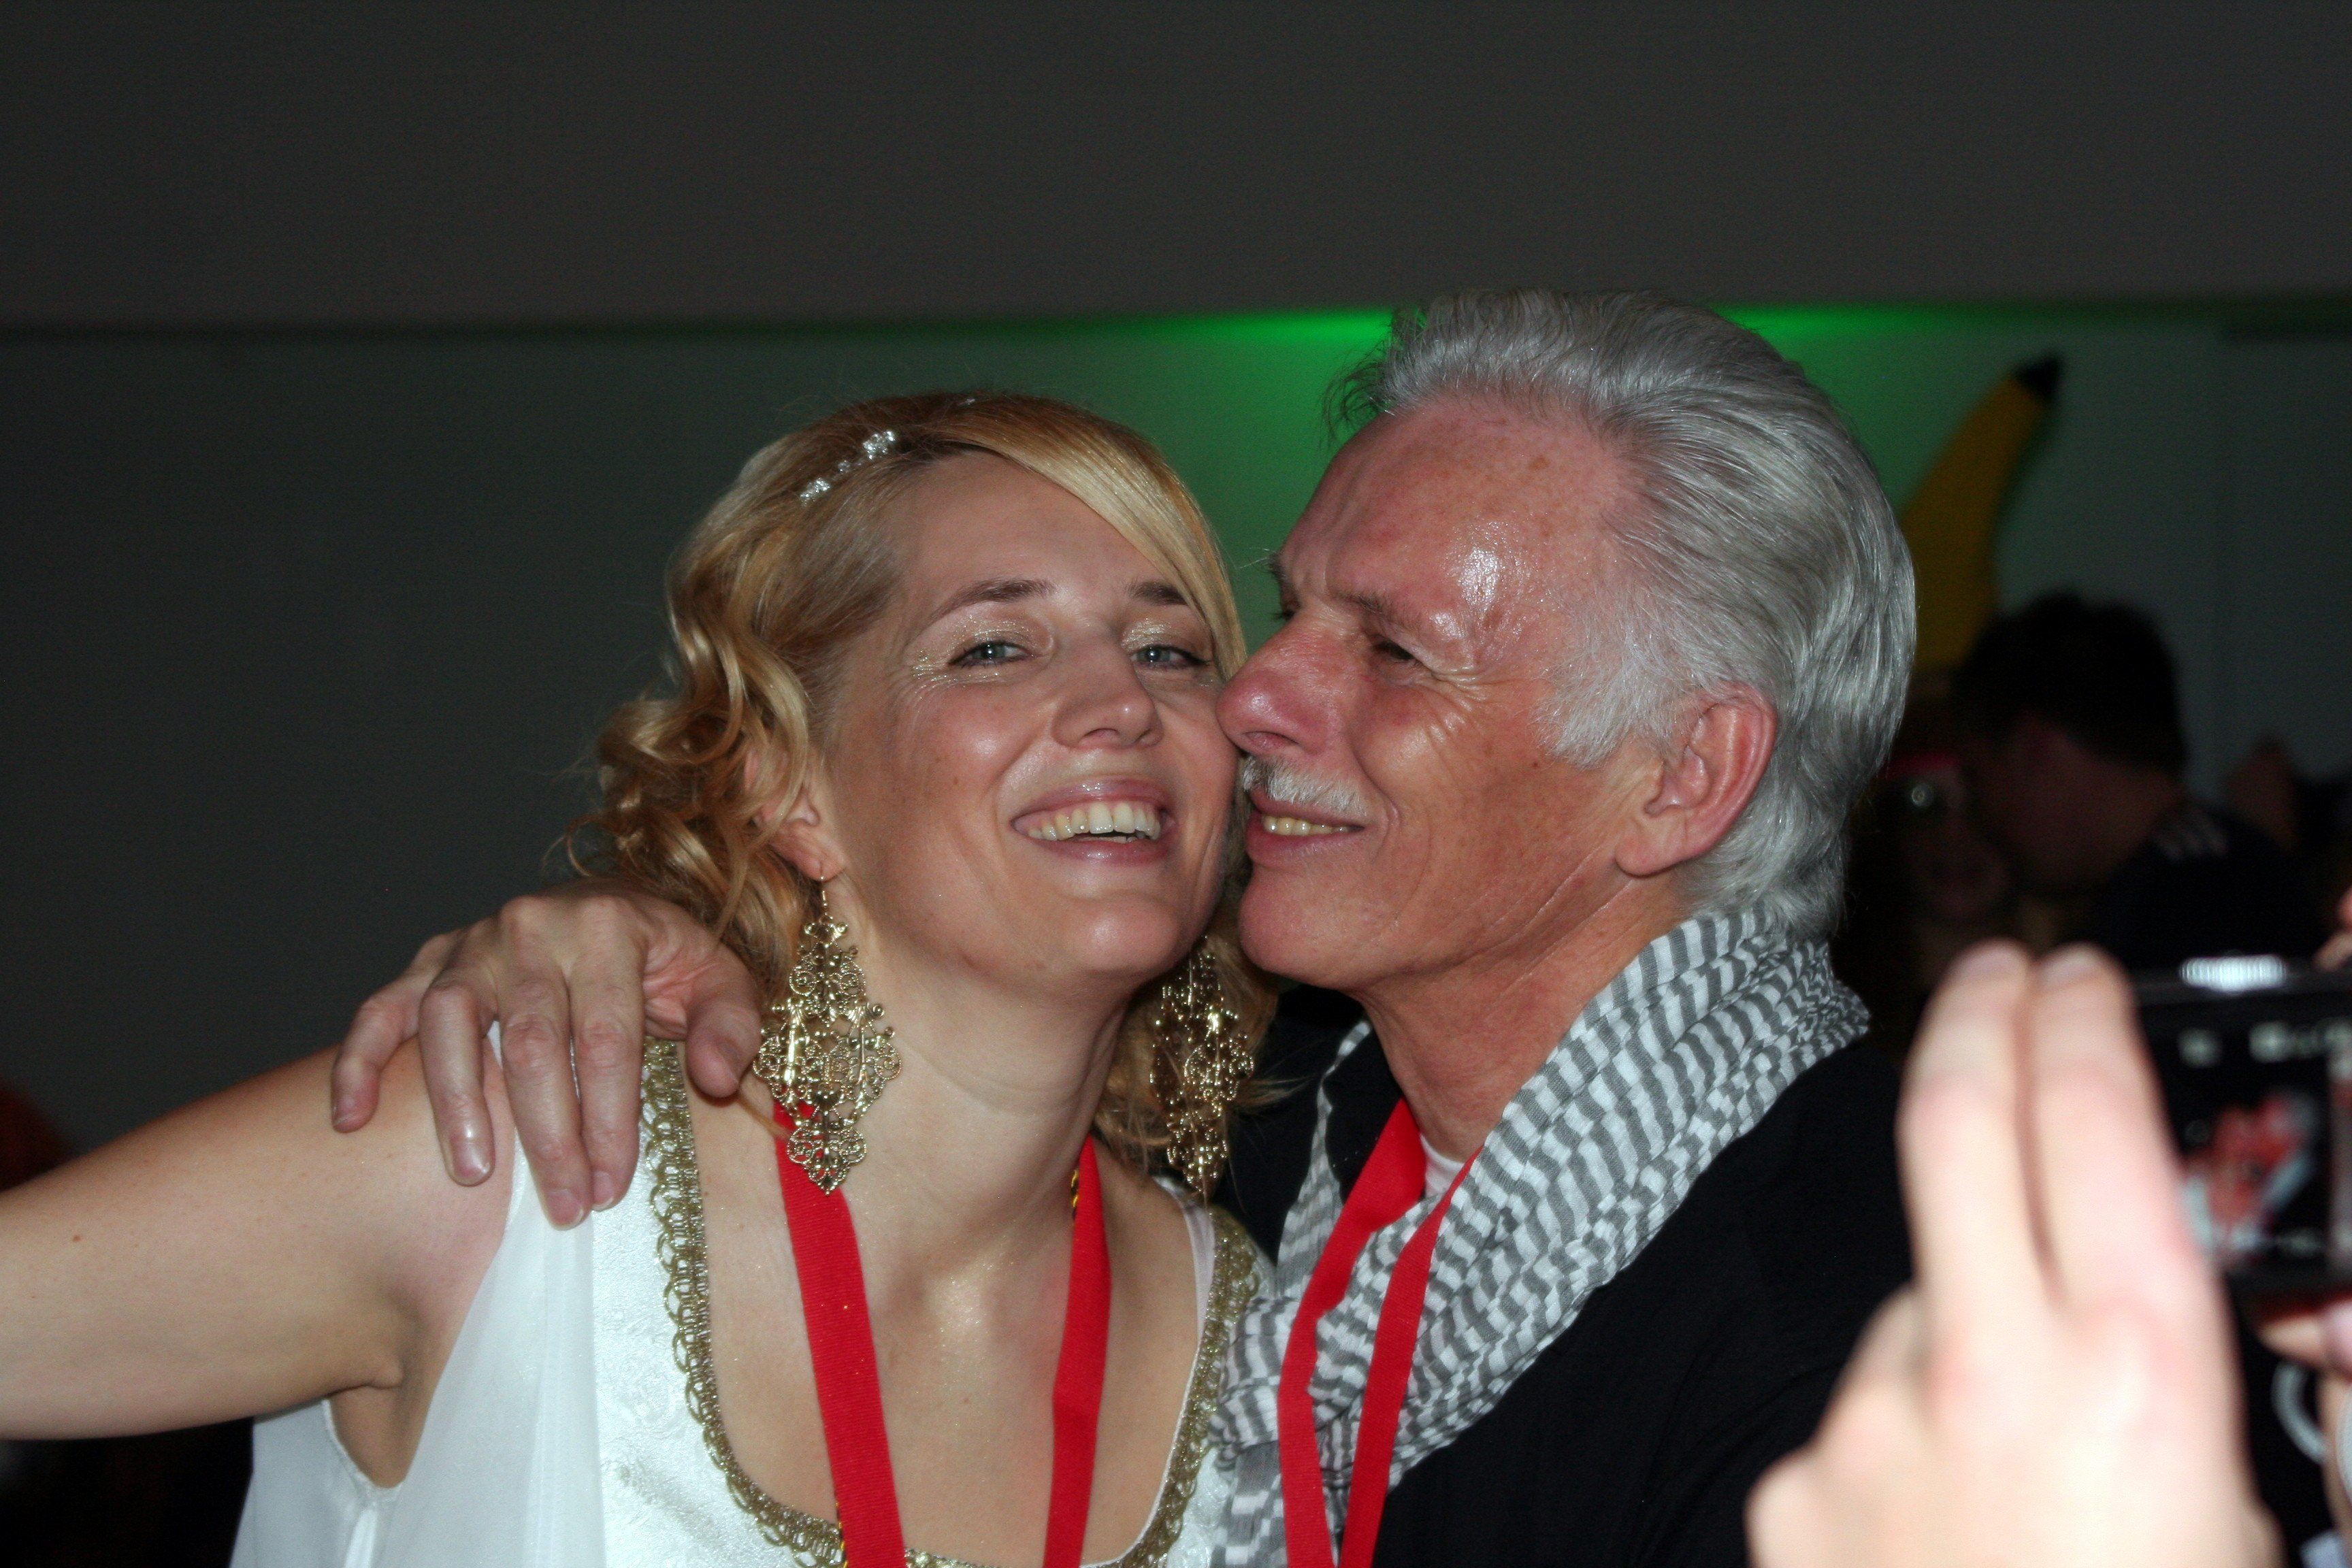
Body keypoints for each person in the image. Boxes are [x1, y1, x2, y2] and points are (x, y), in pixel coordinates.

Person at [338, 291, 1919, 1565]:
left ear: (1679, 779)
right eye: (1288, 609)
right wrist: (639, 931)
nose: (1254, 694)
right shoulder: (1281, 1141)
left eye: (1390, 651)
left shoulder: (1862, 1347)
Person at [0, 391, 1274, 1566]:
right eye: (994, 646)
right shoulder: (515, 1168)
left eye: (1169, 649)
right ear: (793, 787)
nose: (1120, 701)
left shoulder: (1256, 1338)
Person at [1953, 591, 2325, 972]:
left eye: (1978, 779)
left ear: (2032, 748)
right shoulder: (2209, 873)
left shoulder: (2186, 899)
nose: (1980, 818)